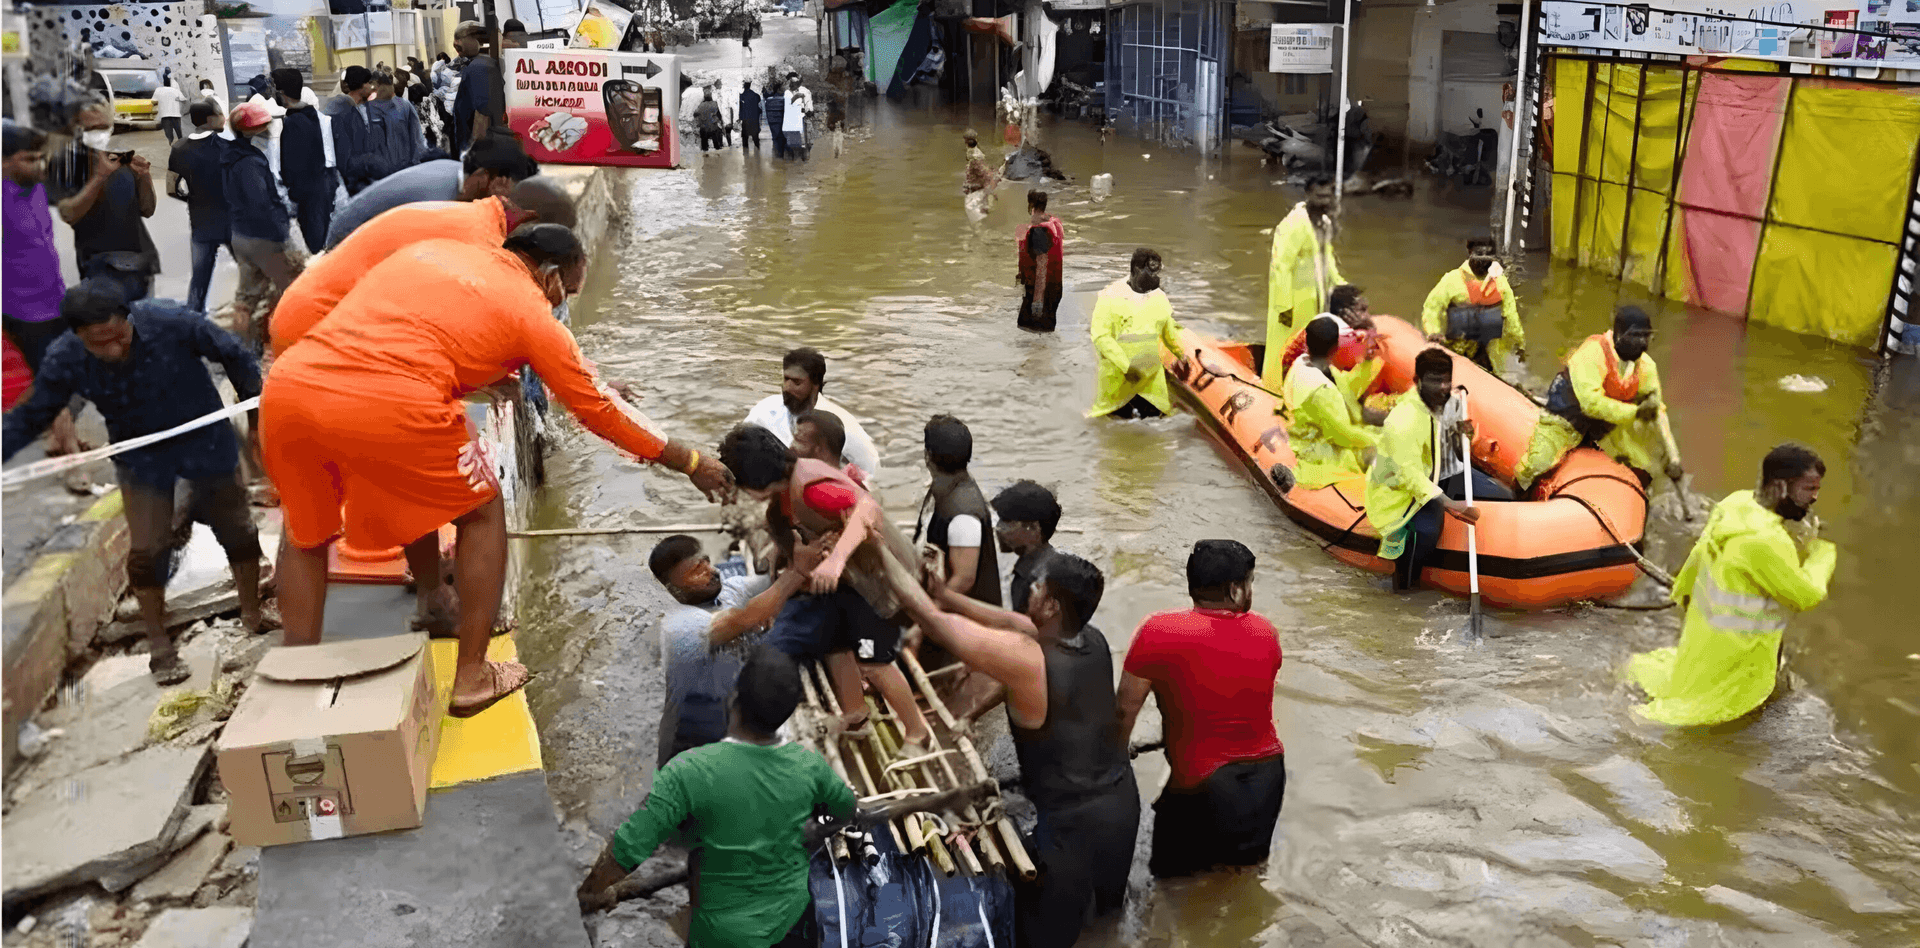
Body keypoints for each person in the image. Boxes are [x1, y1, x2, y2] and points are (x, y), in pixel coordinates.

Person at [261, 224, 733, 717]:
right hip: (394, 401)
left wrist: (481, 375)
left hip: (293, 387)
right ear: (550, 279)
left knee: (305, 532)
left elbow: (413, 331)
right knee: (481, 510)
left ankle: (302, 665)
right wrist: (691, 462)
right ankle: (473, 678)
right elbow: (596, 409)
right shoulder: (529, 309)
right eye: (567, 292)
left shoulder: (435, 249)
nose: (561, 304)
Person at [3, 280, 275, 684]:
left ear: (129, 318)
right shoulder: (66, 358)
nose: (113, 349)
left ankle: (252, 612)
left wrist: (256, 423)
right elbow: (34, 413)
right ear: (79, 337)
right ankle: (159, 645)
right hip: (140, 454)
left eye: (119, 336)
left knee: (235, 527)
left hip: (203, 437)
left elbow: (234, 354)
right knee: (148, 548)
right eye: (100, 344)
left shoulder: (173, 321)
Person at [881, 549, 1138, 948]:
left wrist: (876, 551)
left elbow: (934, 623)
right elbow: (1008, 622)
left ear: (1051, 605)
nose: (1028, 591)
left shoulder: (1027, 660)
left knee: (1043, 935)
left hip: (1073, 828)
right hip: (1121, 805)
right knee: (1105, 921)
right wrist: (946, 594)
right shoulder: (1092, 640)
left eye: (1036, 587)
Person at [576, 648, 856, 948]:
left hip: (721, 933)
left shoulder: (689, 771)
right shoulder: (808, 764)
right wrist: (812, 830)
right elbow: (846, 808)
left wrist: (590, 892)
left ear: (733, 700)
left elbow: (628, 848)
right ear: (788, 714)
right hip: (788, 911)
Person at [717, 424, 934, 749]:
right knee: (836, 645)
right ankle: (856, 716)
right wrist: (799, 552)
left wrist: (835, 559)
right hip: (849, 579)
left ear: (755, 480)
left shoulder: (812, 489)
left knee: (875, 663)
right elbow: (778, 526)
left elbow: (868, 508)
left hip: (877, 579)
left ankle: (917, 732)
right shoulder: (784, 493)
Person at [1627, 444, 1837, 726]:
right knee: (1702, 717)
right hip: (1739, 662)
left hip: (1704, 640)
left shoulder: (1736, 504)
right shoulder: (1766, 541)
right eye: (1808, 489)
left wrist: (1683, 594)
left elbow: (1698, 556)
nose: (1814, 497)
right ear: (1779, 488)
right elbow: (1805, 595)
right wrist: (1821, 553)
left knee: (1688, 684)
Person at [1116, 539, 1285, 877]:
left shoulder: (1157, 631)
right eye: (1250, 582)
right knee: (1242, 881)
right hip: (1268, 779)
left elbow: (1123, 713)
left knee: (1170, 886)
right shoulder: (1266, 631)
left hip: (1203, 784)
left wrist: (1111, 765)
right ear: (1236, 589)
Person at [272, 176, 576, 359]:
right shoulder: (479, 245)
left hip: (317, 317)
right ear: (530, 222)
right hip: (315, 329)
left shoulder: (479, 218)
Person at [648, 533, 829, 767]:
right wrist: (796, 572)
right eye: (695, 571)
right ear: (673, 589)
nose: (711, 572)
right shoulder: (678, 626)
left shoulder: (730, 589)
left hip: (739, 722)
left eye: (706, 562)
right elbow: (740, 620)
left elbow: (773, 586)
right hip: (692, 738)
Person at [1365, 348, 1513, 591]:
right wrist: (1450, 504)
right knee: (1426, 532)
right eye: (1435, 381)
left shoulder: (1450, 402)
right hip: (1404, 493)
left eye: (1446, 380)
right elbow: (1411, 477)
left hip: (1439, 470)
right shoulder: (1404, 421)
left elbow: (1454, 446)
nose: (1443, 387)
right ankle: (1403, 588)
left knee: (1504, 496)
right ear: (1417, 381)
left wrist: (1464, 433)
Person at [2, 122, 81, 457]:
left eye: (40, 157)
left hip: (54, 298)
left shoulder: (36, 188)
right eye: (28, 159)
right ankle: (70, 448)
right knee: (52, 376)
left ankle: (58, 436)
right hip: (22, 309)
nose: (40, 165)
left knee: (58, 374)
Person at [325, 129, 537, 248]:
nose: (504, 199)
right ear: (482, 176)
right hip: (346, 244)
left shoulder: (452, 171)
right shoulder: (436, 202)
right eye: (502, 190)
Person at [1544, 305, 1684, 486]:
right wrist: (1636, 412)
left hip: (1608, 423)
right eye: (1636, 336)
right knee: (1542, 465)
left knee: (1643, 471)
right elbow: (1590, 404)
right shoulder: (1593, 354)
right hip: (1569, 415)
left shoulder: (1647, 367)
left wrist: (1673, 458)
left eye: (1646, 337)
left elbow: (1657, 412)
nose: (1642, 343)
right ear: (1618, 335)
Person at [47, 99, 158, 303]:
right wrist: (99, 178)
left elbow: (147, 209)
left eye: (103, 127)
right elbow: (69, 214)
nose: (99, 133)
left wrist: (144, 177)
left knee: (143, 327)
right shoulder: (65, 165)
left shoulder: (121, 158)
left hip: (141, 261)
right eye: (91, 128)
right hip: (98, 266)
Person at [223, 103, 301, 349]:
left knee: (247, 294)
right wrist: (280, 229)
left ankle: (242, 345)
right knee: (291, 287)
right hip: (263, 236)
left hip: (239, 233)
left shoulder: (229, 155)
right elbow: (259, 202)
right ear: (255, 129)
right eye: (265, 125)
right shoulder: (250, 162)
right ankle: (283, 337)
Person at [743, 346, 883, 482]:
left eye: (797, 382)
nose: (787, 388)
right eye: (786, 379)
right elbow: (740, 447)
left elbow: (872, 474)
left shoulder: (843, 424)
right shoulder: (766, 409)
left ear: (815, 385)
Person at [1284, 314, 1383, 490]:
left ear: (1307, 343)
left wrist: (1367, 361)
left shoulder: (1302, 363)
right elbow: (1343, 435)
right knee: (1381, 452)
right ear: (1336, 347)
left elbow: (1348, 396)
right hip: (1318, 452)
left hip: (1312, 431)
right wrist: (1376, 441)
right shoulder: (1321, 390)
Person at [1088, 248, 1188, 419]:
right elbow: (1102, 337)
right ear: (1136, 270)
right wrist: (1126, 367)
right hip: (1118, 380)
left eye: (1158, 271)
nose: (1157, 277)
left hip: (1151, 384)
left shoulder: (1159, 298)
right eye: (1152, 272)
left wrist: (1181, 355)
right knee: (1116, 432)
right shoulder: (1110, 298)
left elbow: (1167, 329)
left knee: (1156, 432)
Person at [1264, 174, 1343, 387]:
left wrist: (1341, 287)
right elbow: (1281, 265)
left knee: (1312, 345)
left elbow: (1328, 260)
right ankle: (1276, 387)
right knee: (1286, 346)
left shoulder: (1324, 223)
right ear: (1309, 195)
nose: (1325, 201)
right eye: (1320, 196)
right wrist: (1284, 306)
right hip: (1293, 300)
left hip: (1315, 298)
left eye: (1328, 197)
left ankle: (1306, 385)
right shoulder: (1294, 223)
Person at [914, 414, 1001, 606]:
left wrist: (926, 620)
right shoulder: (944, 487)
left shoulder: (964, 514)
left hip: (965, 624)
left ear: (928, 456)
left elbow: (963, 580)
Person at [1421, 236, 1524, 371]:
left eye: (1488, 255)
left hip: (1489, 351)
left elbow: (1512, 318)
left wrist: (1519, 344)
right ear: (1470, 252)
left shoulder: (1501, 283)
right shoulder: (1452, 280)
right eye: (1480, 253)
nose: (1483, 260)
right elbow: (1432, 308)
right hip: (1456, 347)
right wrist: (1433, 331)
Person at [166, 101, 230, 313]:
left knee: (200, 277)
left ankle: (194, 320)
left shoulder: (179, 148)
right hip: (232, 221)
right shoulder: (226, 147)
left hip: (200, 220)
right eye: (220, 114)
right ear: (211, 119)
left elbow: (171, 188)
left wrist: (192, 199)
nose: (224, 117)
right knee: (252, 274)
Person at [270, 68, 335, 255]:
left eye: (274, 88)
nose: (272, 93)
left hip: (308, 197)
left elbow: (294, 166)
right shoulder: (311, 116)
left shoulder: (294, 123)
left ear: (282, 93)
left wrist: (292, 194)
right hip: (320, 190)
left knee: (315, 247)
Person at [1270, 283, 1376, 387]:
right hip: (1311, 384)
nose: (1367, 315)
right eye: (1362, 310)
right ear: (1346, 312)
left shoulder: (1326, 322)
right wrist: (1370, 325)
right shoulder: (1342, 334)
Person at [990, 479, 1061, 613]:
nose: (998, 528)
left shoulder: (1041, 581)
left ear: (1032, 527)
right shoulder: (1030, 568)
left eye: (1006, 521)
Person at [323, 65, 386, 196]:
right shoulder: (341, 112)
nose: (371, 86)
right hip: (353, 183)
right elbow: (343, 155)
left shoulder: (365, 108)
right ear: (360, 86)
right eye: (368, 83)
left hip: (367, 176)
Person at [451, 22, 504, 157]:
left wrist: (476, 157)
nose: (456, 46)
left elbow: (482, 112)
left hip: (477, 152)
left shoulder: (478, 67)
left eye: (458, 40)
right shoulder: (483, 63)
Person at [1018, 189, 1065, 332]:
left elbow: (1042, 265)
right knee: (1043, 334)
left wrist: (1037, 302)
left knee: (1028, 331)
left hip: (1043, 292)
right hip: (1054, 288)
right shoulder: (1052, 223)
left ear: (1030, 205)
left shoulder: (1038, 232)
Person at [367, 71, 428, 174]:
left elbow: (417, 138)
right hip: (378, 174)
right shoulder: (365, 109)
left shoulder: (404, 106)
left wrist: (417, 166)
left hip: (404, 170)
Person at [791, 408, 866, 485]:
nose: (791, 446)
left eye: (799, 440)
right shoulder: (853, 478)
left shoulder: (828, 489)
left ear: (822, 450)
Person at [783, 72, 812, 160]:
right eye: (790, 82)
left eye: (793, 82)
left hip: (800, 121)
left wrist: (804, 111)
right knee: (790, 146)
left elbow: (809, 109)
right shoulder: (786, 92)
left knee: (802, 145)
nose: (791, 84)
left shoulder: (805, 91)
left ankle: (802, 165)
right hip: (789, 122)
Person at [153, 78, 187, 144]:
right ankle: (181, 145)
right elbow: (184, 100)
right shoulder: (176, 90)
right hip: (176, 115)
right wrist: (178, 100)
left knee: (168, 133)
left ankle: (170, 143)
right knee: (179, 132)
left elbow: (154, 101)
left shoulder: (158, 90)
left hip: (165, 115)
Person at [694, 87, 725, 154]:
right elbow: (719, 115)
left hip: (703, 127)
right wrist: (720, 122)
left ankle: (705, 157)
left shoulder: (700, 105)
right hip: (712, 126)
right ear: (711, 96)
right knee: (716, 144)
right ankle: (718, 156)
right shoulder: (715, 103)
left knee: (704, 146)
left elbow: (695, 114)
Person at [763, 81, 788, 160]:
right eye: (783, 88)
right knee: (783, 139)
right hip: (781, 123)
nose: (784, 89)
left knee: (776, 139)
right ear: (778, 89)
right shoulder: (783, 100)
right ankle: (781, 162)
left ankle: (777, 160)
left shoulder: (769, 100)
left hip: (773, 123)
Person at [738, 80, 762, 152]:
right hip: (754, 119)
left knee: (745, 139)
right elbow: (759, 109)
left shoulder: (741, 96)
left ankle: (746, 157)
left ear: (744, 86)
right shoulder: (756, 95)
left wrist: (740, 118)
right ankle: (758, 156)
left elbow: (740, 109)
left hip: (746, 120)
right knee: (756, 138)